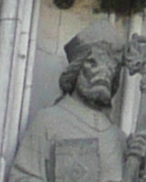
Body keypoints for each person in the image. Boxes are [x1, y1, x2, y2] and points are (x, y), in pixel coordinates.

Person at [8, 35, 131, 182]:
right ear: (76, 70)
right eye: (93, 64)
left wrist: (138, 167)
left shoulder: (119, 139)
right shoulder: (48, 121)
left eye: (111, 67)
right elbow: (22, 177)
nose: (104, 73)